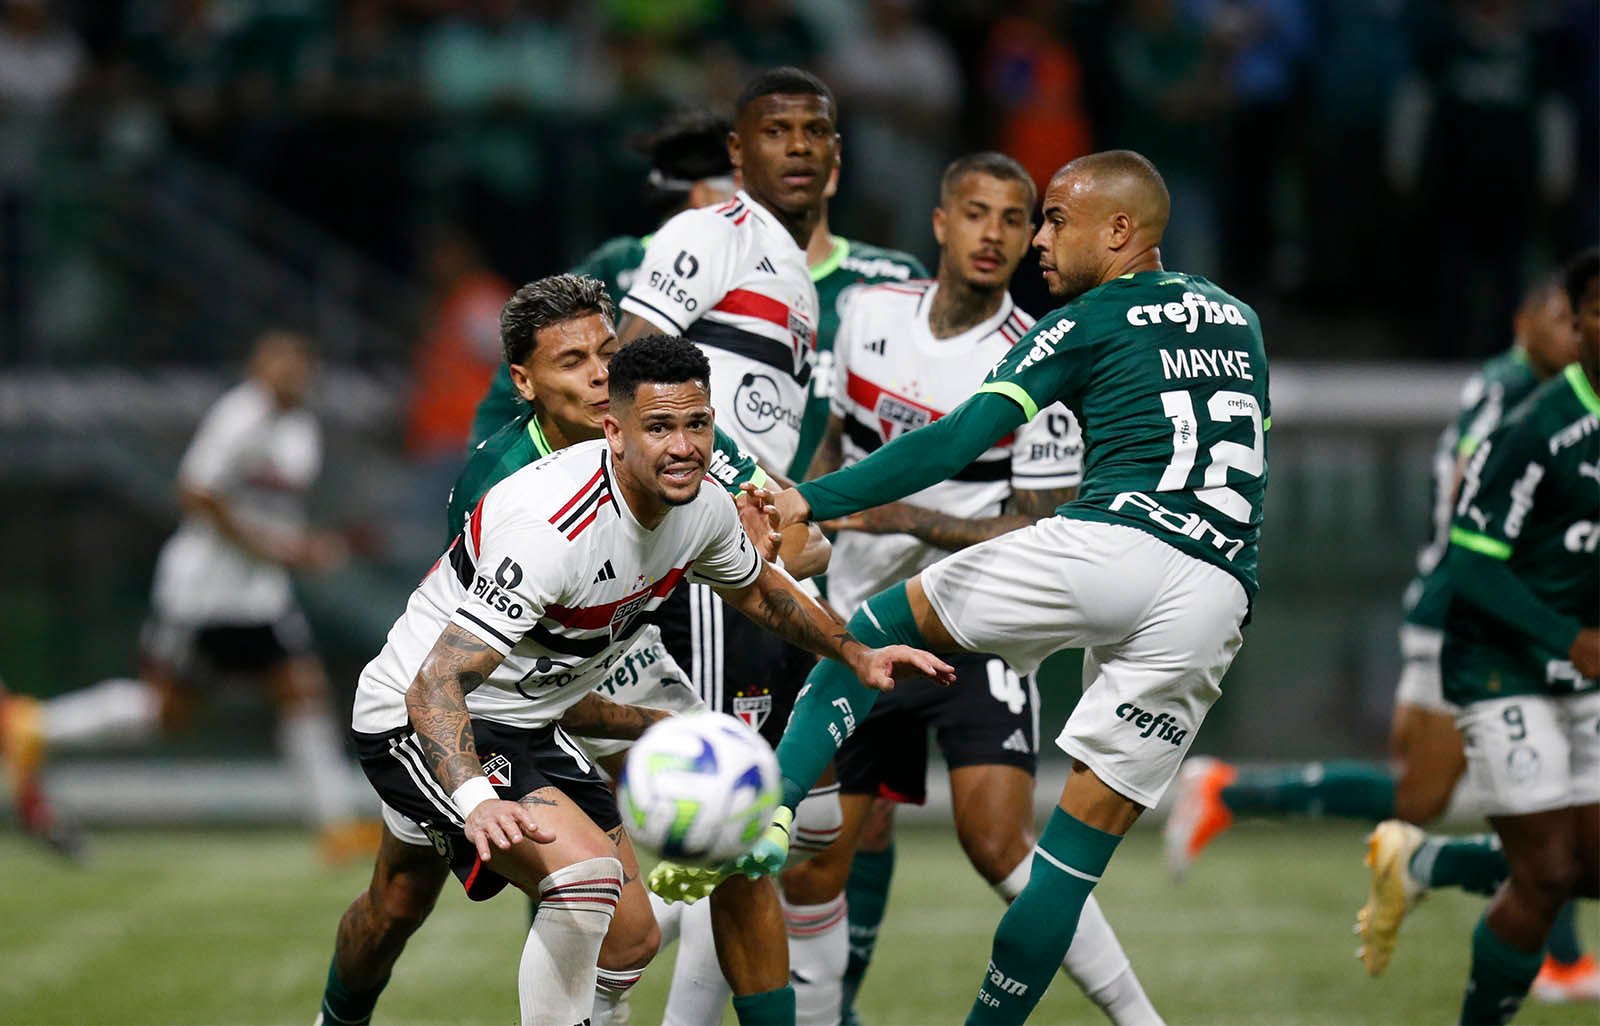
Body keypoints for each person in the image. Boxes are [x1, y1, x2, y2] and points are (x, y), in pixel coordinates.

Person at [658, 148, 1270, 1025]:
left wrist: (808, 499)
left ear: (1122, 231)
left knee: (862, 632)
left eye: (1055, 218)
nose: (1040, 241)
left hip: (1117, 540)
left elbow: (951, 445)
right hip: (1216, 588)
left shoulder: (1087, 319)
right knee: (1060, 871)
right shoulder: (1239, 319)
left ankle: (765, 815)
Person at [335, 330, 951, 1026]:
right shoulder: (552, 529)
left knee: (631, 939)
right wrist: (476, 799)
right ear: (615, 432)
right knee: (579, 883)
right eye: (659, 427)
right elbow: (434, 683)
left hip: (530, 721)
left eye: (697, 424)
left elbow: (762, 592)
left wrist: (856, 653)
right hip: (418, 719)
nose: (683, 447)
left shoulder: (703, 508)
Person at [777, 150, 1162, 1026]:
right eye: (977, 213)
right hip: (857, 626)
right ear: (942, 222)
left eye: (1017, 219)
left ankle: (1138, 1016)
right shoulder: (867, 315)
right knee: (825, 855)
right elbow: (832, 446)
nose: (995, 234)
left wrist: (908, 519)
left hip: (976, 627)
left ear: (1033, 236)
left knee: (996, 843)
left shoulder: (1041, 354)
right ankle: (829, 1016)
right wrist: (813, 519)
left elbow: (1040, 523)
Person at [1164, 273, 1598, 996]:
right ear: (1527, 324)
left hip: (1495, 617)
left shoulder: (1518, 390)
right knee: (1442, 803)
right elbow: (1478, 517)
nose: (1572, 331)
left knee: (1529, 809)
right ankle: (1237, 795)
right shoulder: (1523, 402)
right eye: (1563, 316)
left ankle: (1555, 954)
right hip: (1475, 620)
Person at [616, 66, 849, 1024]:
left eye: (814, 132)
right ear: (738, 154)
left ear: (835, 157)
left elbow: (767, 426)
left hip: (750, 556)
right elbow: (631, 370)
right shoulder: (706, 235)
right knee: (739, 825)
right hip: (701, 560)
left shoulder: (796, 278)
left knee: (796, 823)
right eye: (777, 131)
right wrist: (754, 492)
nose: (797, 146)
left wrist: (804, 512)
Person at [0, 330, 372, 862]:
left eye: (298, 364)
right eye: (278, 362)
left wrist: (300, 547)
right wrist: (273, 547)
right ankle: (31, 726)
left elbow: (272, 514)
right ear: (256, 367)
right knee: (164, 711)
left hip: (258, 596)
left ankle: (335, 826)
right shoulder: (240, 415)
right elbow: (196, 491)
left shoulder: (300, 428)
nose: (290, 373)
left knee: (301, 689)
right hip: (203, 593)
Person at [1372, 248, 1600, 1026]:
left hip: (1580, 667)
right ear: (1574, 323)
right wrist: (1568, 636)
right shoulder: (1537, 424)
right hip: (1504, 663)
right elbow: (1471, 564)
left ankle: (1426, 859)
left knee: (1583, 866)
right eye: (1593, 311)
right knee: (1545, 870)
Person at [468, 110, 739, 447]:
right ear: (706, 195)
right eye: (743, 190)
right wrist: (493, 477)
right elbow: (513, 389)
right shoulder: (621, 265)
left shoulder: (772, 279)